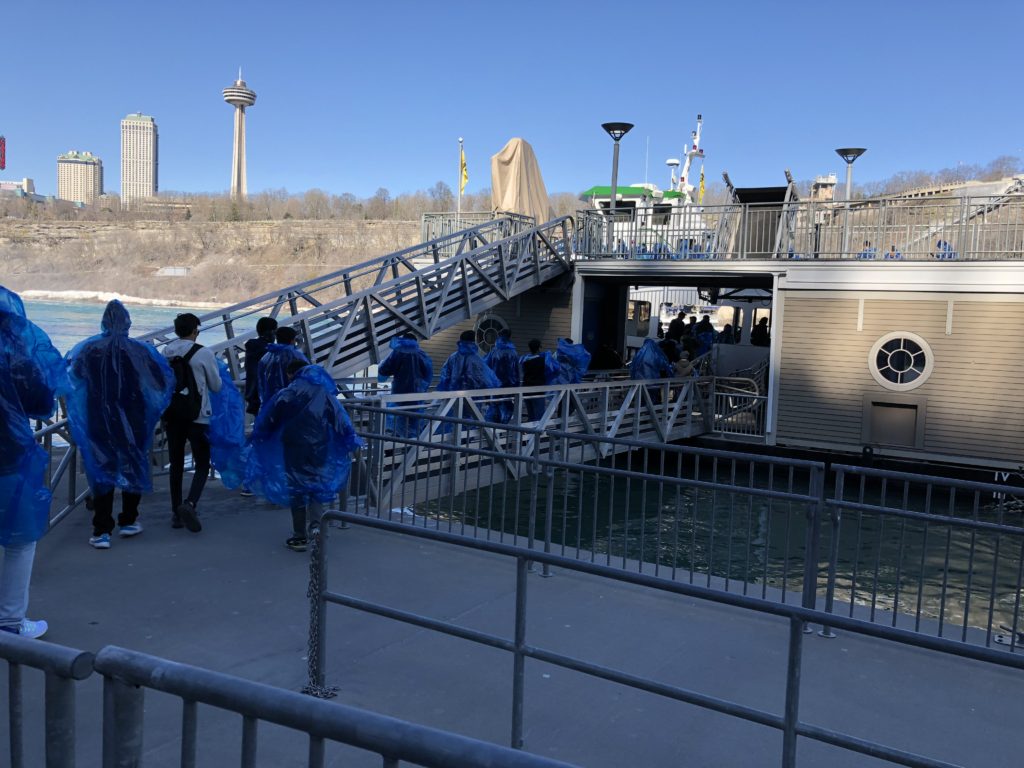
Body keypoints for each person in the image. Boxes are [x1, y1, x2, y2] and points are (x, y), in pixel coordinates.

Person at [65, 300, 173, 548]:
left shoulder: (89, 349)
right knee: (132, 464)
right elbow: (160, 382)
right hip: (134, 418)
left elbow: (74, 377)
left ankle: (102, 530)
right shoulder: (141, 350)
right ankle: (129, 521)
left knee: (102, 468)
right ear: (127, 322)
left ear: (103, 321)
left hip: (98, 418)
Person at [0, 286, 66, 638]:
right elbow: (42, 401)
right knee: (20, 538)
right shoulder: (16, 353)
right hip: (7, 454)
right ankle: (9, 621)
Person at [247, 361, 362, 552]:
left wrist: (258, 438)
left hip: (293, 446)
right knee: (316, 486)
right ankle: (317, 528)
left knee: (296, 488)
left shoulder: (286, 394)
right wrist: (349, 439)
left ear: (292, 374)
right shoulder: (325, 394)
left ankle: (299, 537)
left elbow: (268, 420)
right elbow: (341, 420)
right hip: (320, 446)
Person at [161, 312, 223, 533]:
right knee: (202, 463)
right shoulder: (203, 352)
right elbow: (216, 386)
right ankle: (190, 504)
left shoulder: (166, 352)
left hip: (172, 414)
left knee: (175, 463)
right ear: (195, 330)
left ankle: (176, 513)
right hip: (198, 415)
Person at [377, 332, 433, 437]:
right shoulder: (422, 355)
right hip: (417, 397)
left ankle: (398, 448)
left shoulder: (397, 353)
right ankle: (412, 449)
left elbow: (384, 370)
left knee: (397, 426)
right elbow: (428, 375)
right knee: (414, 427)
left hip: (399, 397)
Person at [258, 326, 309, 407]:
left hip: (270, 405)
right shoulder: (297, 356)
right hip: (293, 404)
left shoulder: (265, 357)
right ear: (292, 340)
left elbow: (261, 383)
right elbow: (308, 379)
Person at [244, 317, 278, 416]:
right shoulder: (270, 351)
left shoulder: (252, 347)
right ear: (270, 332)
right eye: (274, 331)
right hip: (267, 395)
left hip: (252, 394)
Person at [483, 329, 519, 423]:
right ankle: (500, 432)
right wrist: (516, 387)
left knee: (493, 410)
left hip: (494, 387)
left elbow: (486, 366)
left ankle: (493, 434)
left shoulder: (494, 351)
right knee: (506, 411)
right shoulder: (513, 352)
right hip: (508, 387)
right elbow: (515, 372)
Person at [519, 339, 557, 422]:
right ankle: (536, 434)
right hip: (538, 390)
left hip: (526, 389)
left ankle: (529, 433)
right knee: (539, 417)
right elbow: (554, 369)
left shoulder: (525, 360)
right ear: (539, 348)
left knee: (531, 415)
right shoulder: (542, 360)